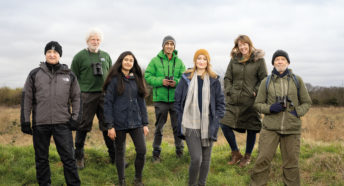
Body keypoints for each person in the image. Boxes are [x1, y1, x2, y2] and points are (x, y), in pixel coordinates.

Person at [20, 41, 81, 186]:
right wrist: (25, 120)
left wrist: (75, 118)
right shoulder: (34, 74)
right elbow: (26, 97)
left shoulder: (69, 74)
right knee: (41, 159)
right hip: (41, 123)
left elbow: (77, 97)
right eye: (49, 52)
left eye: (55, 52)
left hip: (63, 123)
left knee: (69, 158)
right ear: (45, 54)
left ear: (60, 55)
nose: (52, 55)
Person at [250, 50, 312, 186]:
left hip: (292, 129)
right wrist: (270, 108)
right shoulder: (266, 82)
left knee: (291, 164)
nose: (280, 61)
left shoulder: (297, 80)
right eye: (277, 59)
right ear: (273, 63)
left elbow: (307, 102)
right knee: (262, 160)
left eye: (283, 59)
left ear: (288, 62)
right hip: (270, 128)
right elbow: (257, 104)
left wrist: (296, 112)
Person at [175, 49, 225, 186]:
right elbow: (177, 101)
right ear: (195, 61)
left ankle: (201, 183)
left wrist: (216, 120)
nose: (201, 61)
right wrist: (180, 117)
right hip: (190, 124)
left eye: (204, 59)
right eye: (199, 58)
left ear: (208, 61)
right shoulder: (186, 78)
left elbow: (221, 104)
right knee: (196, 159)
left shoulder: (214, 80)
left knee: (206, 159)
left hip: (208, 125)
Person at [220, 35, 267, 167]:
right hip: (234, 100)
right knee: (224, 124)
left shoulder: (259, 60)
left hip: (251, 101)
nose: (242, 47)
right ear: (237, 47)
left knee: (251, 128)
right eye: (240, 45)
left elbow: (264, 79)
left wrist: (256, 91)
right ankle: (236, 153)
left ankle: (247, 156)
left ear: (249, 44)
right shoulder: (234, 60)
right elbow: (227, 77)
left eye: (244, 44)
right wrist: (229, 90)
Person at [103, 51, 149, 186]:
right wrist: (110, 126)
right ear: (121, 61)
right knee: (120, 152)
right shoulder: (113, 80)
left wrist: (145, 123)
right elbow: (108, 104)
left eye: (131, 60)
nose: (128, 62)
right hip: (119, 122)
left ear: (133, 64)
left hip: (136, 122)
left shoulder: (137, 79)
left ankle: (137, 179)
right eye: (126, 60)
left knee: (142, 150)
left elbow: (142, 103)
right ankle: (121, 181)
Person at [71, 28, 114, 169]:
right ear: (87, 41)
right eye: (92, 39)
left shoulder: (106, 56)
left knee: (108, 125)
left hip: (104, 95)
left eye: (97, 40)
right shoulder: (79, 57)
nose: (95, 42)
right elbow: (73, 78)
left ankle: (114, 157)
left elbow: (112, 75)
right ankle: (79, 158)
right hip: (86, 95)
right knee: (82, 127)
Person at [145, 35, 186, 162]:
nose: (169, 46)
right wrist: (161, 81)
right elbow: (147, 76)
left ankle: (180, 152)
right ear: (163, 46)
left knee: (177, 127)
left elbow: (184, 78)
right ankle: (156, 154)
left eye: (171, 44)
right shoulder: (155, 61)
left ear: (174, 47)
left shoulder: (179, 62)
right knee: (159, 128)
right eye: (167, 44)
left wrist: (177, 82)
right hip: (160, 100)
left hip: (175, 100)